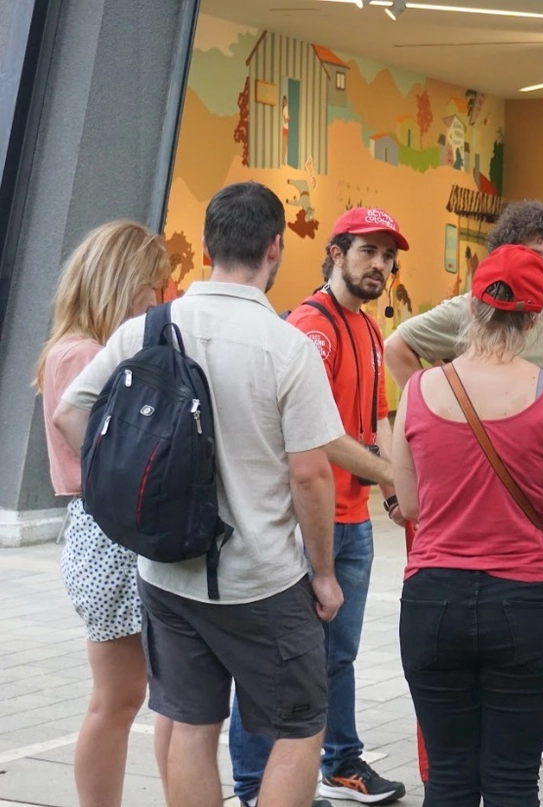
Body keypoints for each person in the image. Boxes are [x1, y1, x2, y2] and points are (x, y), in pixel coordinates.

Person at [52, 181, 347, 807]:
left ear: (208, 247)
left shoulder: (147, 330)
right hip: (262, 579)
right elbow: (310, 474)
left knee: (191, 725)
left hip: (166, 574)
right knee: (299, 727)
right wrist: (323, 573)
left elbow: (70, 414)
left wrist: (130, 493)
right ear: (274, 247)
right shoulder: (287, 346)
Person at [385, 199, 543, 762]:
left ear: (476, 308)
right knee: (513, 777)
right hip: (525, 580)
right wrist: (533, 547)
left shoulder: (420, 392)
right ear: (534, 317)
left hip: (436, 590)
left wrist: (433, 414)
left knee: (449, 772)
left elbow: (411, 503)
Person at [226, 208, 410, 807]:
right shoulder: (312, 328)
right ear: (335, 253)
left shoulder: (370, 330)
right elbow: (319, 436)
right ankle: (253, 786)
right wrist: (393, 473)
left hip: (353, 521)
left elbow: (375, 420)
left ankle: (340, 762)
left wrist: (389, 491)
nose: (379, 265)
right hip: (309, 523)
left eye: (387, 256)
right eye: (368, 251)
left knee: (337, 655)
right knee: (279, 660)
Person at [35, 221, 172, 807]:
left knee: (132, 699)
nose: (158, 299)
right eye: (153, 285)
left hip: (102, 536)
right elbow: (109, 455)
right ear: (123, 281)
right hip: (111, 537)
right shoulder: (85, 355)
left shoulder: (71, 348)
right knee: (125, 701)